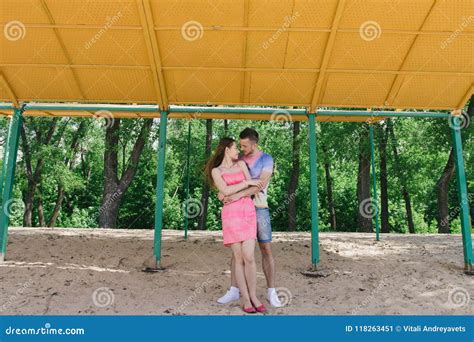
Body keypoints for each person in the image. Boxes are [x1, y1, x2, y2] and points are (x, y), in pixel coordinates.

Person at [217, 128, 282, 307]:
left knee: (265, 248)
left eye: (245, 145)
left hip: (259, 208)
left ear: (254, 144)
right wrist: (223, 194)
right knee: (237, 254)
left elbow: (260, 185)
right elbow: (227, 180)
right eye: (240, 145)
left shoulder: (266, 159)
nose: (241, 148)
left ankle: (271, 291)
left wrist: (237, 195)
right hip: (237, 211)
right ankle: (234, 290)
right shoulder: (238, 159)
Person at [205, 137, 267, 313]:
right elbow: (224, 190)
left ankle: (254, 296)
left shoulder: (241, 165)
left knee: (249, 256)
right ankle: (246, 299)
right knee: (238, 258)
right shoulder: (216, 171)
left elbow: (257, 187)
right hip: (230, 215)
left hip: (246, 211)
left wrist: (239, 194)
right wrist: (246, 183)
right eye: (234, 149)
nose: (238, 152)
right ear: (226, 149)